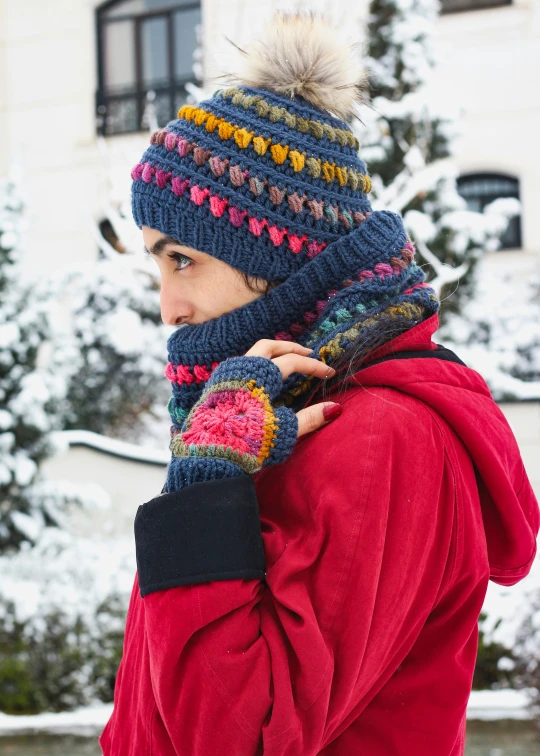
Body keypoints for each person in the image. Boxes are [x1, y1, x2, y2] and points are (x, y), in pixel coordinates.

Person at [98, 11, 539, 755]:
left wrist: (204, 492)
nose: (167, 305)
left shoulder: (382, 436)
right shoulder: (276, 417)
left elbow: (242, 738)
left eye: (181, 260)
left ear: (280, 253)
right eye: (155, 265)